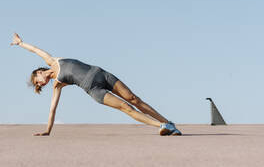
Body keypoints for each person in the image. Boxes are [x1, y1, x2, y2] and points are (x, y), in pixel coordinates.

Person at [11, 33, 182, 136]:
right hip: (94, 90)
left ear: (39, 72)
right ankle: (161, 126)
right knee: (126, 107)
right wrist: (48, 130)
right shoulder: (57, 84)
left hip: (102, 74)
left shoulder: (52, 60)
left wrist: (20, 43)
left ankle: (169, 124)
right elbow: (52, 110)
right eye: (39, 85)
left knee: (134, 99)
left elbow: (35, 49)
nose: (41, 84)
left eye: (37, 81)